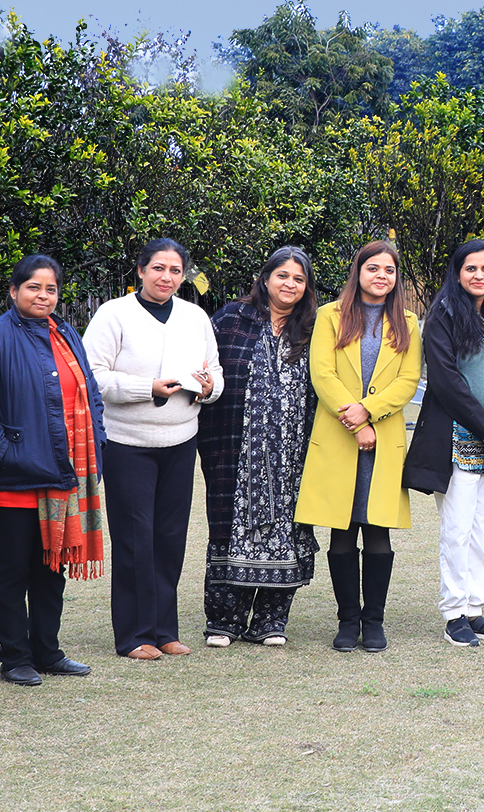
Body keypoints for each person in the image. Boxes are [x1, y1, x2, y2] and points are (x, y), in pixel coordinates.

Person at [83, 239, 224, 660]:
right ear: (141, 271)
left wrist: (209, 388)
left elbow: (214, 372)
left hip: (180, 441)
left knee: (169, 537)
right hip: (128, 443)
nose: (166, 277)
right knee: (133, 538)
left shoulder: (195, 316)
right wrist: (147, 388)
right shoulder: (114, 314)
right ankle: (134, 635)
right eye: (158, 268)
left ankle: (165, 629)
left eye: (175, 270)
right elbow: (94, 376)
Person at [0, 255, 106, 688]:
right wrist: (9, 451)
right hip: (11, 478)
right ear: (13, 291)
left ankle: (48, 651)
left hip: (63, 474)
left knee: (51, 567)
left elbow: (91, 395)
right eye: (33, 287)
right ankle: (14, 657)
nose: (42, 295)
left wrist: (96, 443)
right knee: (11, 569)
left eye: (50, 289)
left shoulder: (66, 334)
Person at [295, 241, 423, 653]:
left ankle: (375, 621)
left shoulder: (407, 322)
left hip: (383, 439)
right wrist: (354, 422)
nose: (381, 276)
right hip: (338, 435)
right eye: (373, 268)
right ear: (359, 272)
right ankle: (348, 621)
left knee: (379, 531)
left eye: (389, 270)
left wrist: (367, 413)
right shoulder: (330, 316)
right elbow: (322, 373)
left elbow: (407, 382)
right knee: (343, 532)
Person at [405, 240, 484, 648]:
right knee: (456, 530)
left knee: (481, 531)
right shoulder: (442, 317)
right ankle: (454, 613)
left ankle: (475, 610)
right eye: (471, 268)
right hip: (457, 440)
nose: (479, 275)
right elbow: (444, 381)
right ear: (457, 273)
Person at [196, 247, 321, 648]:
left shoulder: (313, 328)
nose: (290, 285)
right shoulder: (232, 319)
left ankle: (270, 621)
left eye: (299, 279)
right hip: (234, 445)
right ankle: (225, 620)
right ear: (265, 278)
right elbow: (206, 367)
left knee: (287, 527)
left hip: (293, 455)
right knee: (228, 523)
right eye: (282, 276)